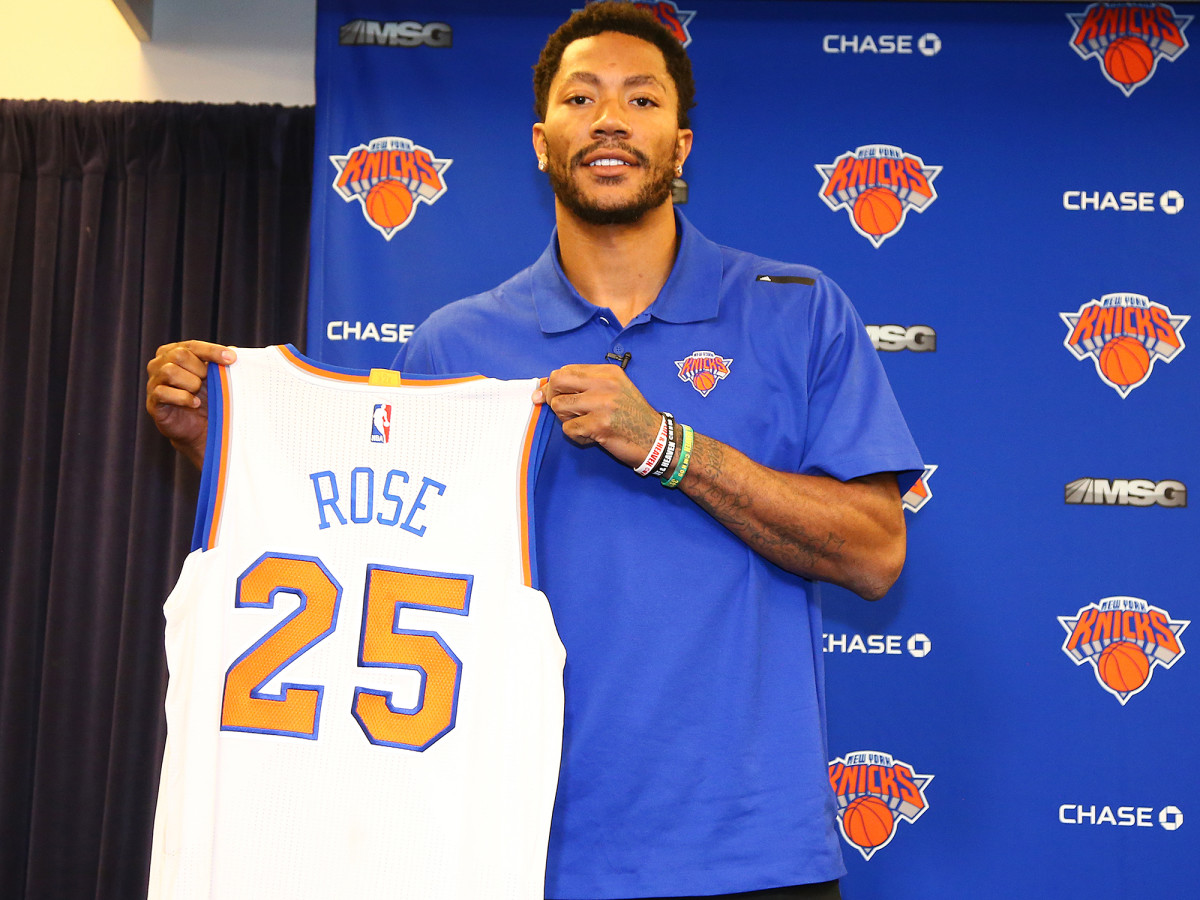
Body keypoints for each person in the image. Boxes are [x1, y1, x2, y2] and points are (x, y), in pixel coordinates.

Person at [146, 4, 923, 899]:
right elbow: (366, 565)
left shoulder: (797, 309)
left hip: (747, 851)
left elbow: (874, 554)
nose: (610, 119)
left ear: (680, 146)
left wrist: (667, 446)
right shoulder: (457, 343)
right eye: (580, 98)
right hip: (517, 848)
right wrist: (223, 448)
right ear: (541, 140)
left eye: (642, 100)